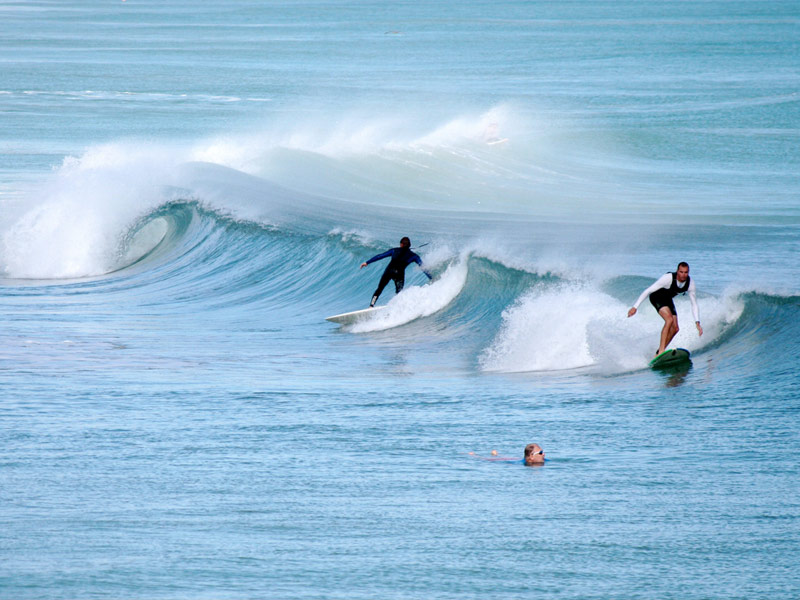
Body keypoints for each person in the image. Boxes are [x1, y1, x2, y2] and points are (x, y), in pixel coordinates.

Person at [627, 262, 703, 355]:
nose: (683, 275)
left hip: (667, 299)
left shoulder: (690, 283)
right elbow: (648, 290)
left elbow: (694, 304)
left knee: (675, 328)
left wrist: (697, 322)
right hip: (656, 297)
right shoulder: (668, 278)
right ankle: (662, 350)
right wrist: (635, 307)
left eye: (686, 272)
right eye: (681, 272)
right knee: (669, 320)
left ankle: (659, 352)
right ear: (677, 271)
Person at [360, 236, 432, 307]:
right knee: (399, 293)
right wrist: (431, 277)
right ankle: (397, 307)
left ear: (401, 244)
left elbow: (380, 256)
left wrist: (367, 262)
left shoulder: (394, 250)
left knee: (380, 289)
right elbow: (423, 267)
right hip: (399, 275)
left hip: (388, 272)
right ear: (409, 245)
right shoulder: (414, 256)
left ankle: (371, 305)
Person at [468, 443, 546, 466]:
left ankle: (495, 454)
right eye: (540, 453)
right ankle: (474, 455)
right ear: (531, 456)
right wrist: (475, 456)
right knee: (489, 459)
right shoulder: (517, 464)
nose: (544, 454)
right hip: (514, 461)